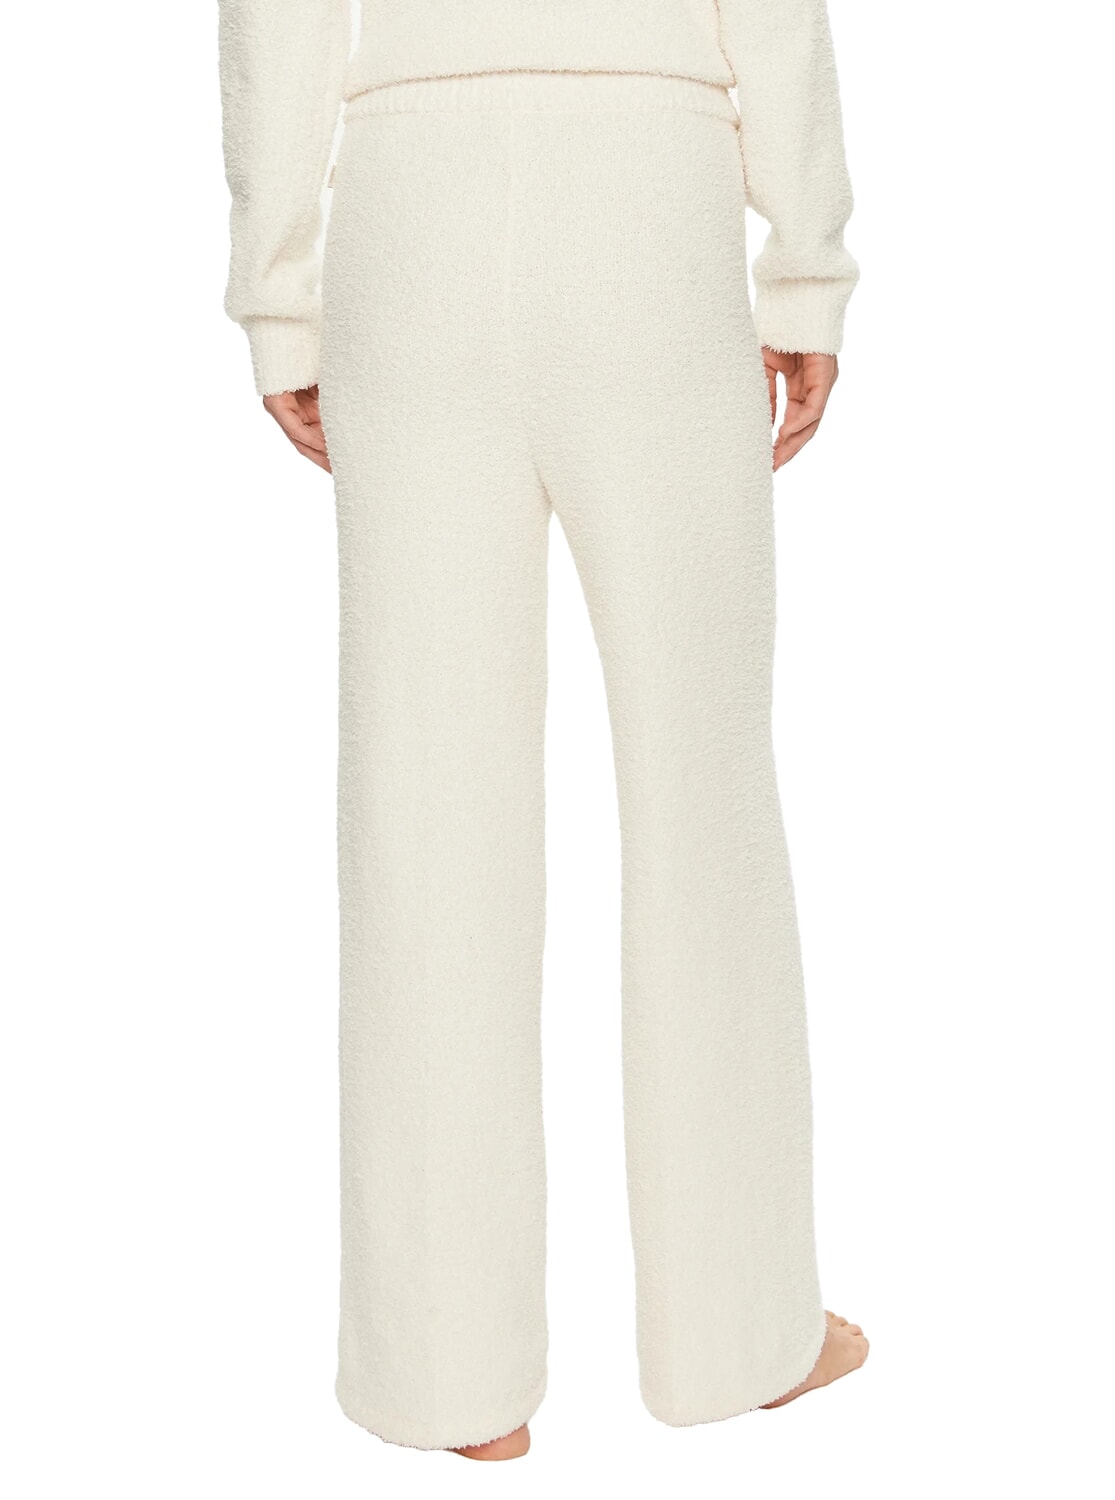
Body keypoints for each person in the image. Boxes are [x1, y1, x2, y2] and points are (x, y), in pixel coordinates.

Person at [217, 0, 867, 1462]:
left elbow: (276, 18)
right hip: (648, 200)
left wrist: (278, 294)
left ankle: (444, 1375)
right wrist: (805, 270)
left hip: (413, 205)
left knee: (423, 805)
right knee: (701, 791)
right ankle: (741, 1333)